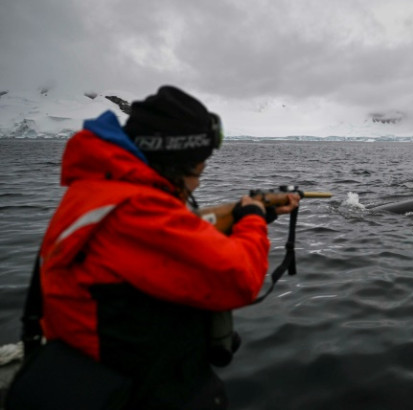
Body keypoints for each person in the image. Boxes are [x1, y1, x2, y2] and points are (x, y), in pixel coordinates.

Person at [22, 85, 299, 409]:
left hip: (86, 373)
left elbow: (182, 232)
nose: (198, 181)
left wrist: (252, 213)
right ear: (176, 160)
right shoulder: (135, 212)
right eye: (198, 169)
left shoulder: (99, 190)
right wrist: (251, 218)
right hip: (128, 389)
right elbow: (240, 278)